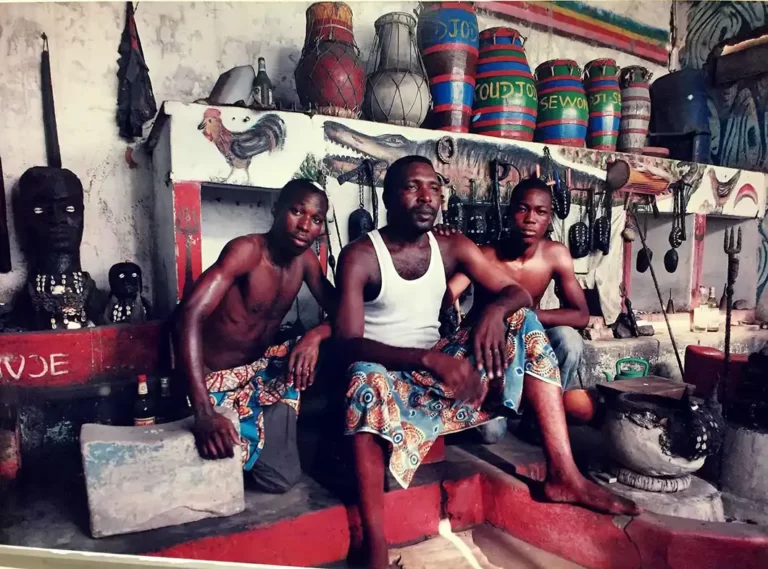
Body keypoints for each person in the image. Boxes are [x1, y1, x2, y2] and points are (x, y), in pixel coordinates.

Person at [334, 157, 638, 569]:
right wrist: (428, 357)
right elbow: (349, 344)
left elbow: (516, 294)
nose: (426, 198)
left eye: (434, 188)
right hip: (388, 377)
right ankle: (374, 547)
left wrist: (493, 314)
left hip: (441, 375)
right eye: (412, 187)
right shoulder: (359, 256)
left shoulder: (453, 245)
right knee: (363, 379)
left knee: (523, 319)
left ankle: (563, 475)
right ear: (389, 196)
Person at [177, 179, 336, 494]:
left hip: (258, 374)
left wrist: (315, 335)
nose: (305, 225)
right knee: (246, 476)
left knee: (281, 478)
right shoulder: (246, 251)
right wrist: (204, 411)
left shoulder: (306, 262)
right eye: (296, 211)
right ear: (276, 210)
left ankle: (328, 449)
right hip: (212, 380)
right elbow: (188, 316)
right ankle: (228, 429)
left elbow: (345, 314)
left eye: (316, 219)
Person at [440, 177, 589, 443]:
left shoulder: (556, 255)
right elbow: (448, 294)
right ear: (510, 214)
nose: (530, 219)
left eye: (540, 212)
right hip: (487, 349)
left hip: (530, 341)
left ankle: (538, 419)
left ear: (549, 218)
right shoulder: (485, 254)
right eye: (523, 209)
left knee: (570, 340)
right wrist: (439, 247)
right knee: (491, 434)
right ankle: (491, 409)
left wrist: (523, 318)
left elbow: (581, 315)